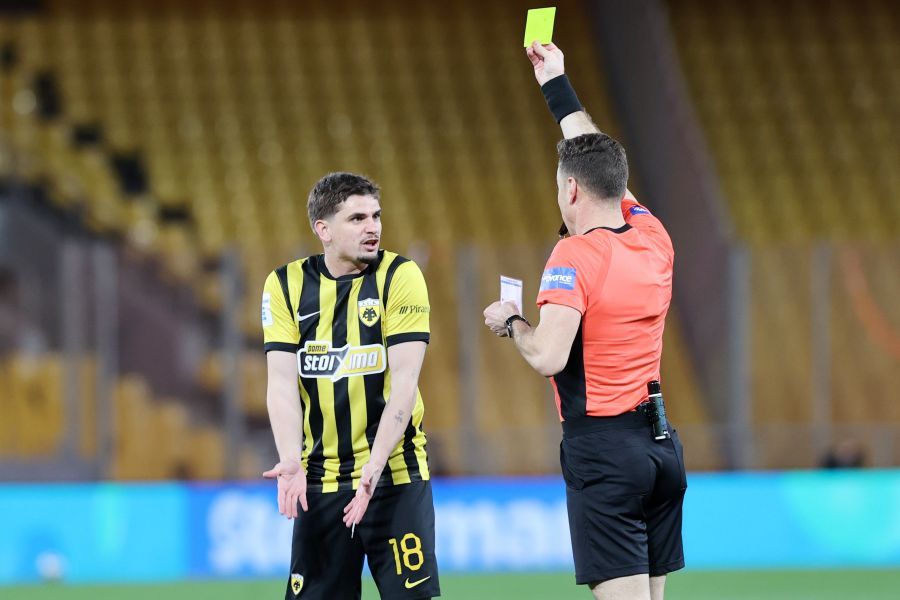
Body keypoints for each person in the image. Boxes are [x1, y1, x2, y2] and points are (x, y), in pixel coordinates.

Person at [483, 42, 687, 600]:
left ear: (570, 189)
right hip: (660, 446)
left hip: (605, 450)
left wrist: (512, 322)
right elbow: (596, 158)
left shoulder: (574, 254)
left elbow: (548, 356)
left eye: (560, 185)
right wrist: (556, 85)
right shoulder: (653, 235)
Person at [262, 172, 440, 599]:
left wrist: (373, 469)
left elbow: (405, 384)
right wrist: (290, 459)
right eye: (357, 218)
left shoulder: (400, 276)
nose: (372, 227)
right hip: (320, 483)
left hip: (394, 476)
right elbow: (281, 383)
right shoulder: (285, 285)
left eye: (376, 216)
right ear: (323, 230)